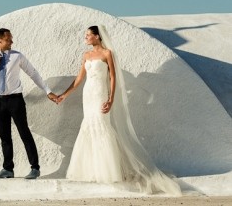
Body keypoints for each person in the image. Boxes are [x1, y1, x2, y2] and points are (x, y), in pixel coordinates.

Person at [57, 25, 181, 195]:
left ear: (97, 37)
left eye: (88, 35)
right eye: (85, 35)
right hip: (88, 94)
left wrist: (111, 98)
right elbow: (79, 79)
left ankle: (109, 170)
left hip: (101, 93)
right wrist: (64, 95)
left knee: (102, 126)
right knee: (89, 126)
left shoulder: (107, 53)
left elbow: (113, 77)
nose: (85, 38)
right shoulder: (86, 55)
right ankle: (91, 171)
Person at [0, 28, 58, 179]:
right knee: (5, 137)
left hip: (16, 100)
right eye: (9, 39)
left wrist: (47, 91)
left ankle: (35, 168)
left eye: (11, 39)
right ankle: (8, 169)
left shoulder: (17, 56)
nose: (12, 42)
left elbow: (33, 73)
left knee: (24, 133)